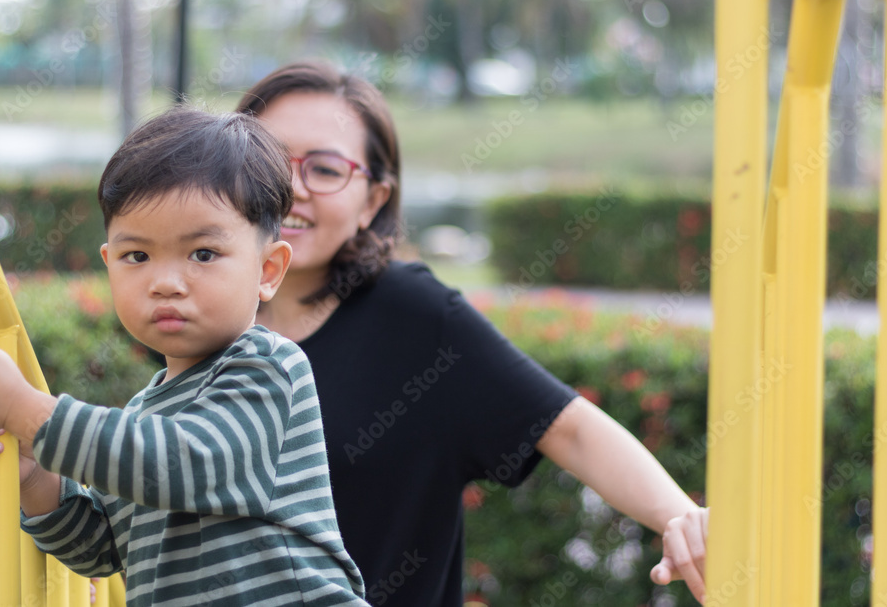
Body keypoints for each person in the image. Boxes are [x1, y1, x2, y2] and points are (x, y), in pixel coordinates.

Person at [237, 61, 710, 607]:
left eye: (324, 169)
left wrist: (685, 521)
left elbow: (570, 429)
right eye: (267, 161)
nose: (291, 187)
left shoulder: (416, 318)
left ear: (372, 201)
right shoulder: (207, 319)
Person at [0, 107, 370, 607]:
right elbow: (102, 550)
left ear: (267, 270)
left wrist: (25, 410)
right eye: (138, 256)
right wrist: (37, 477)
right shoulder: (143, 413)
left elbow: (184, 465)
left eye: (202, 254)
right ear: (110, 265)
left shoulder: (269, 368)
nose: (165, 283)